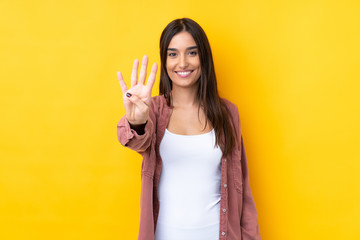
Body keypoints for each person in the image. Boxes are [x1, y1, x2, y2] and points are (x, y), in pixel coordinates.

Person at [116, 18, 260, 240]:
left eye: (191, 53)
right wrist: (137, 121)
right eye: (173, 54)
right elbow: (135, 139)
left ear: (204, 57)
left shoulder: (228, 113)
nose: (182, 63)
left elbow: (243, 191)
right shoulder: (152, 110)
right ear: (164, 61)